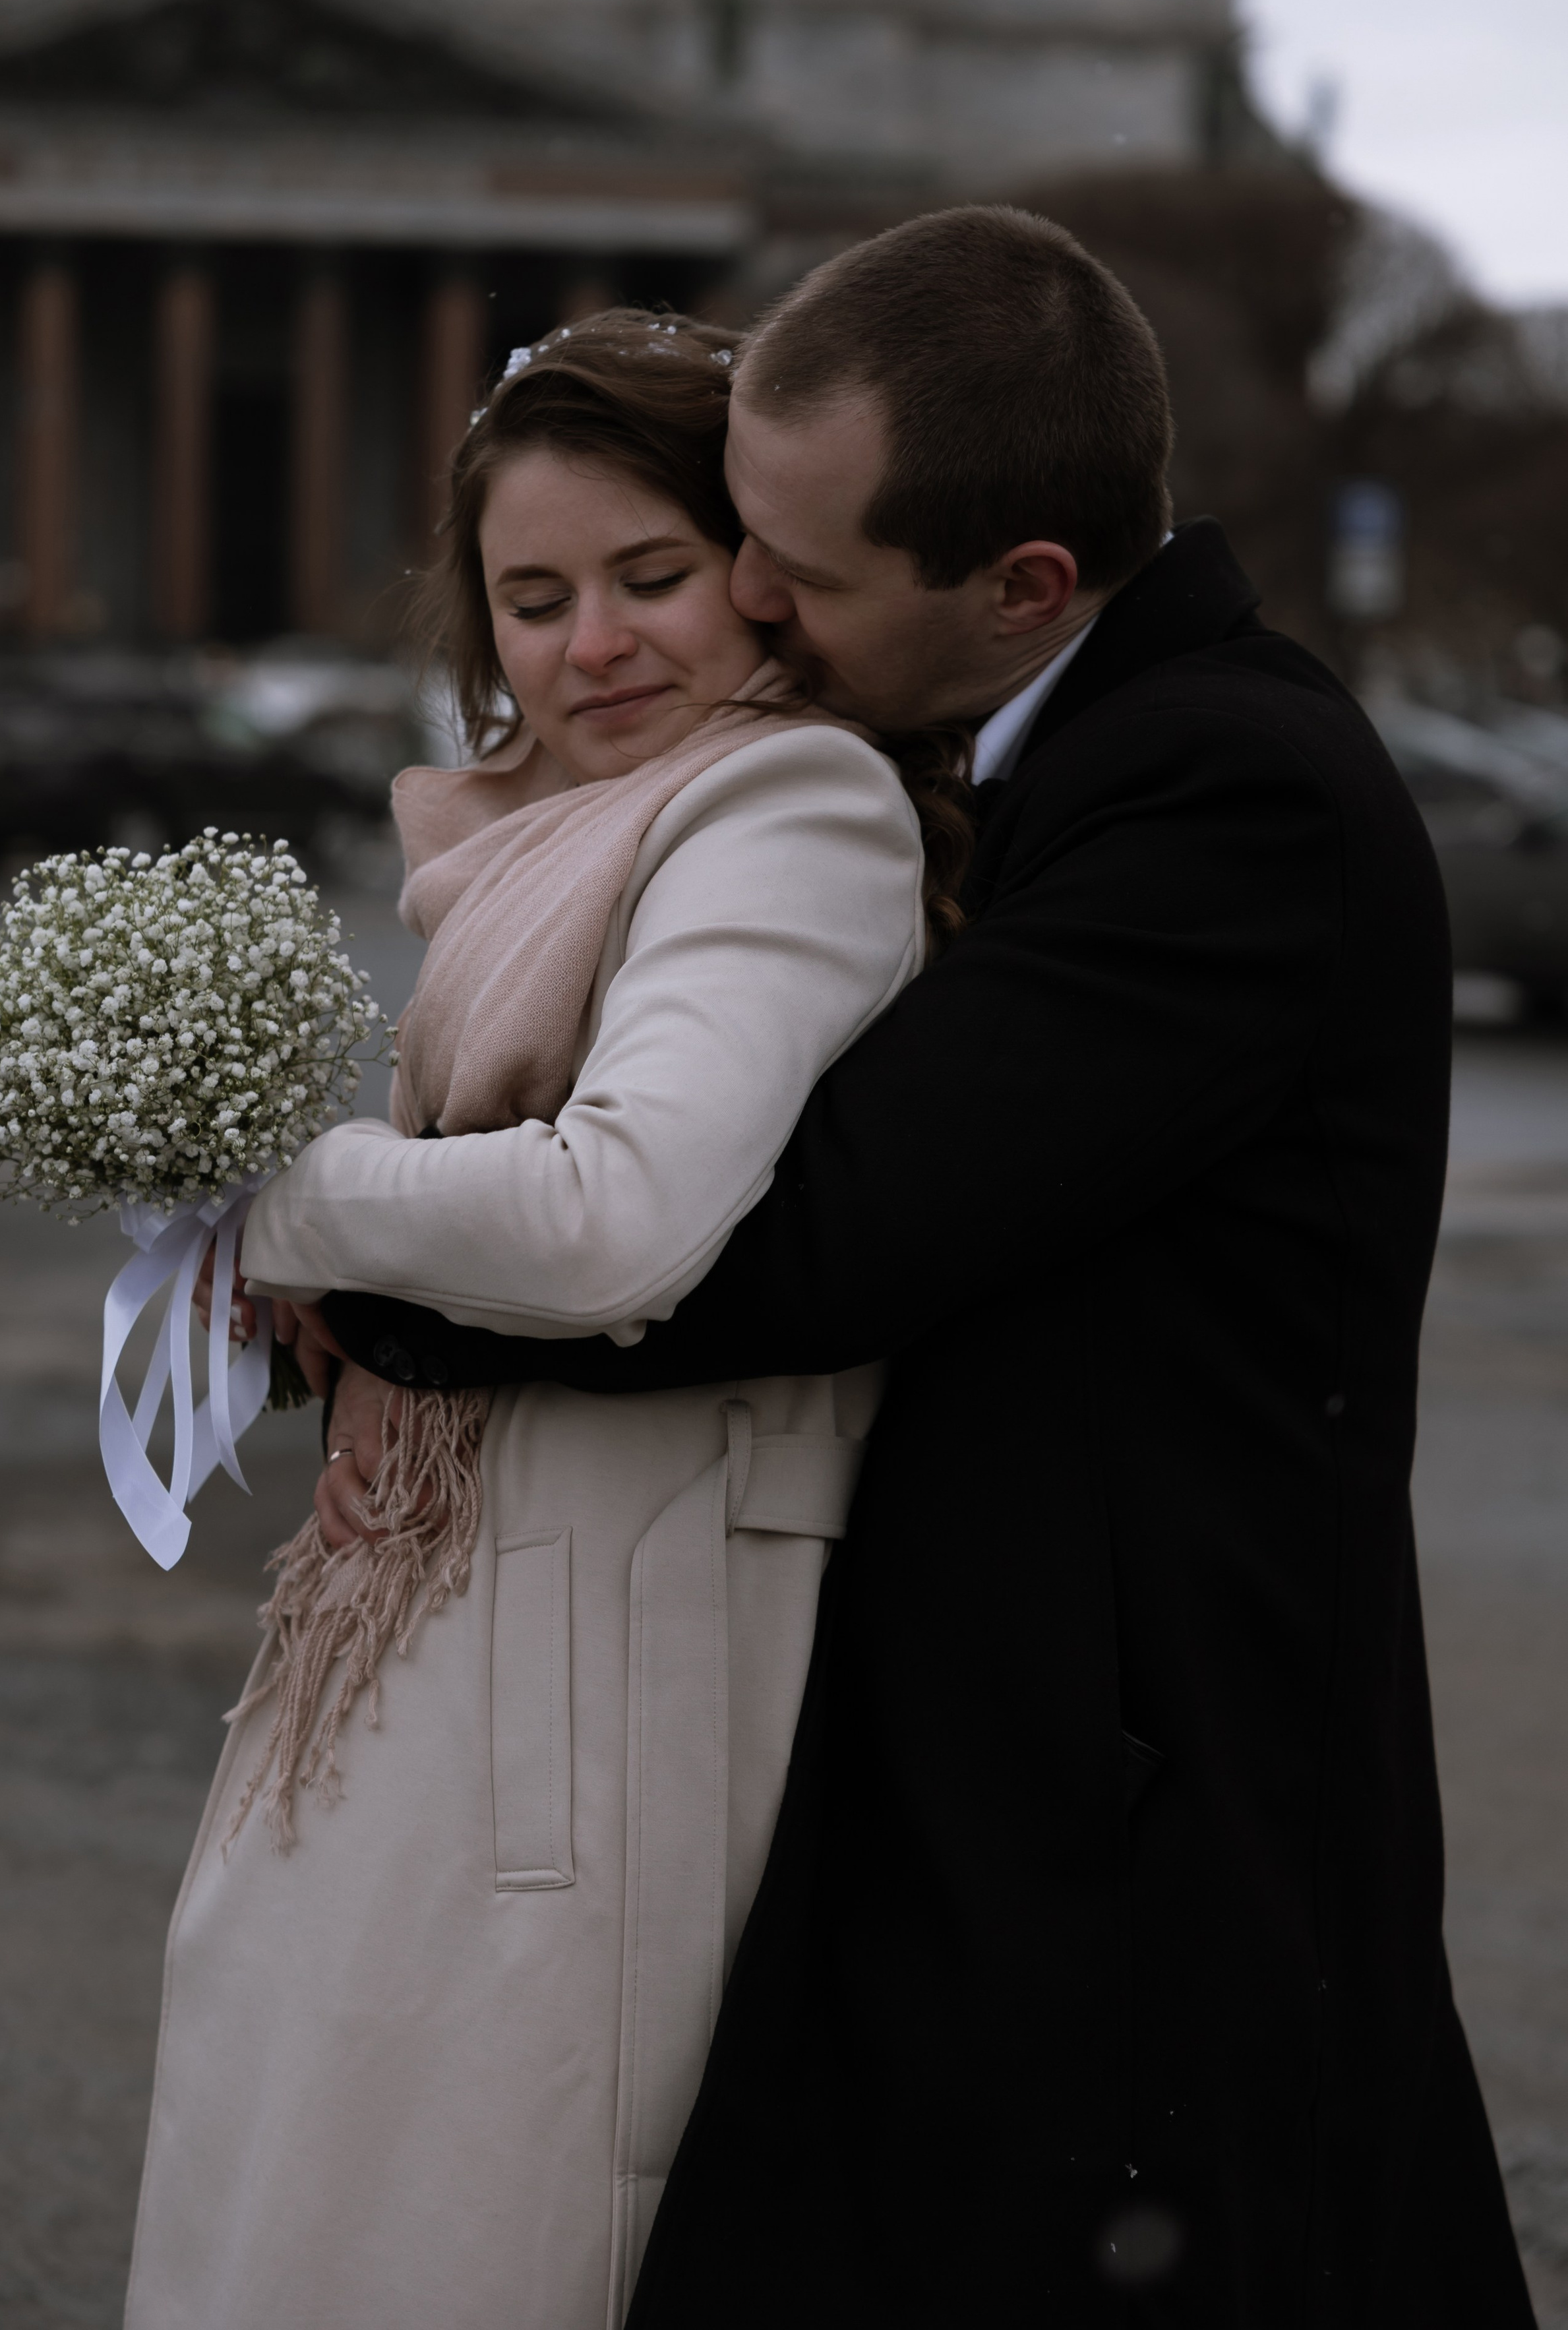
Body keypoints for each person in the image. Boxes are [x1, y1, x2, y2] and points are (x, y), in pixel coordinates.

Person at [295, 209, 1536, 2325]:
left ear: (1024, 587)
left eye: (796, 565)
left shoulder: (1228, 795)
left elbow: (818, 1238)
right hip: (1031, 1764)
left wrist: (351, 1248)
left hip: (1145, 1800)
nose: (748, 598)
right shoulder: (1065, 754)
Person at [123, 313, 948, 2330]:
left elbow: (614, 1218)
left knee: (463, 2220)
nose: (593, 648)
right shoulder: (539, 847)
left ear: (760, 572)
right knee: (325, 2178)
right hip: (453, 1604)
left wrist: (282, 1205)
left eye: (649, 579)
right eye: (535, 601)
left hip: (607, 1646)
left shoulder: (791, 811)